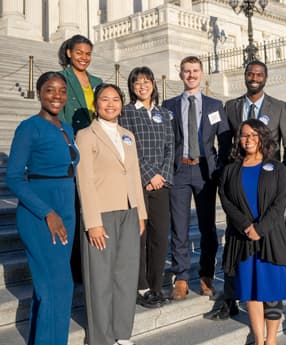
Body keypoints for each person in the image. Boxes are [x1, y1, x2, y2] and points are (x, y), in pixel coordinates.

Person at [211, 59, 286, 320]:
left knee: (266, 238)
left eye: (259, 74)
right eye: (250, 73)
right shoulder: (232, 106)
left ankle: (269, 303)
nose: (254, 77)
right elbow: (226, 144)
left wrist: (279, 175)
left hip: (267, 187)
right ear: (245, 76)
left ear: (266, 77)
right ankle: (230, 298)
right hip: (239, 184)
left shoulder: (279, 108)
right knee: (234, 241)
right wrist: (228, 178)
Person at [6, 71, 79, 345]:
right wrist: (47, 212)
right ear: (39, 93)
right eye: (50, 90)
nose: (57, 96)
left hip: (66, 212)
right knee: (54, 288)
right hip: (41, 215)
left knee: (55, 288)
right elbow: (13, 177)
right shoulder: (29, 127)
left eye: (61, 90)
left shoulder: (67, 128)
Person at [76, 83, 147, 345]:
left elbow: (134, 174)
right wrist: (92, 222)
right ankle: (101, 338)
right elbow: (84, 180)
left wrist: (140, 212)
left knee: (126, 275)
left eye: (115, 99)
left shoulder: (127, 134)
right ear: (96, 104)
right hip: (102, 213)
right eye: (104, 99)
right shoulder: (86, 135)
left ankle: (122, 333)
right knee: (100, 279)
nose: (110, 104)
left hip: (129, 211)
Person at [162, 56, 231, 300]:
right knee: (179, 226)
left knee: (207, 227)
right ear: (180, 74)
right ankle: (180, 277)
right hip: (179, 170)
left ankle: (206, 275)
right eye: (186, 71)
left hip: (205, 172)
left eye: (194, 71)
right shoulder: (168, 105)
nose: (190, 75)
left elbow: (224, 140)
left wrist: (219, 167)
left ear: (201, 74)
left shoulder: (215, 105)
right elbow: (165, 139)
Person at [219, 119, 286, 345]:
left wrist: (260, 228)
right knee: (250, 291)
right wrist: (245, 226)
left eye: (253, 135)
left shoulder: (277, 169)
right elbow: (227, 202)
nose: (248, 140)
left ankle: (271, 340)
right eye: (244, 135)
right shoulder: (230, 170)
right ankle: (259, 339)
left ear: (262, 137)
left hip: (270, 237)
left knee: (271, 292)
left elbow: (280, 204)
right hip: (243, 240)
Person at [120, 66, 174, 308]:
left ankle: (155, 285)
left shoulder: (164, 113)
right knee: (139, 235)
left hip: (162, 183)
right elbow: (128, 148)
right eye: (137, 83)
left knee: (160, 236)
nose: (142, 86)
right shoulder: (127, 113)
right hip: (138, 181)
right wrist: (150, 175)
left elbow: (170, 147)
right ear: (131, 87)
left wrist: (162, 175)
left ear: (153, 84)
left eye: (146, 81)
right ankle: (140, 286)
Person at [58, 34, 102, 284]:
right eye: (79, 53)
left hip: (97, 149)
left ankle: (93, 261)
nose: (84, 57)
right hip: (74, 149)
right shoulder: (61, 79)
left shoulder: (97, 81)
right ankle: (76, 266)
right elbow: (60, 116)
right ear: (68, 53)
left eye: (88, 53)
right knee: (76, 208)